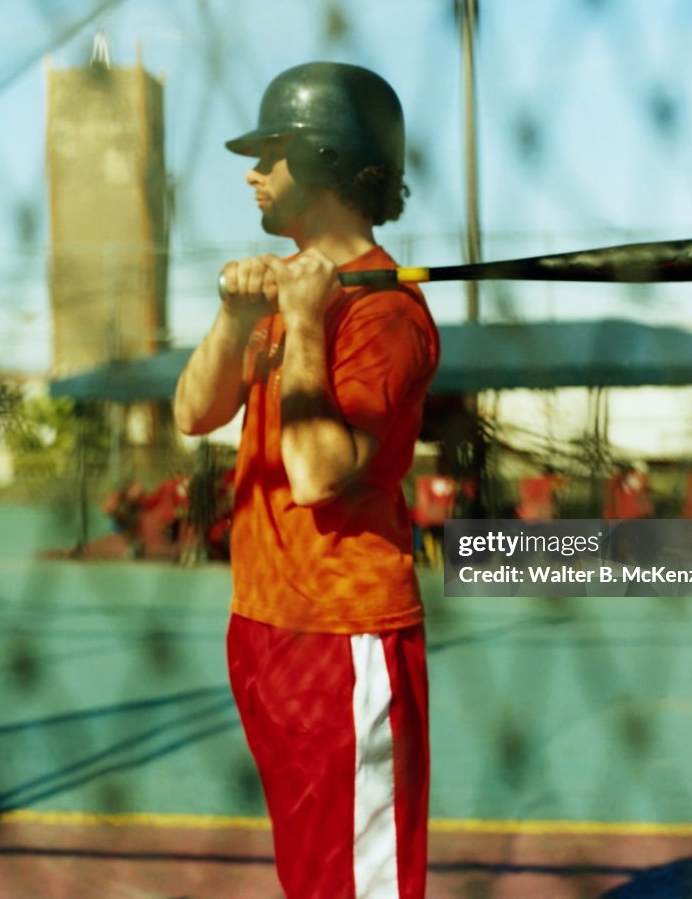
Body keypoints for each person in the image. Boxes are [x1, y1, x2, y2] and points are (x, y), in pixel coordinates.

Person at [174, 61, 439, 899]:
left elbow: (318, 475)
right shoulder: (292, 289)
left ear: (326, 160)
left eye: (272, 153)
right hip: (262, 623)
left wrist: (305, 324)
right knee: (311, 876)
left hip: (344, 635)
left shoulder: (385, 316)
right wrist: (236, 316)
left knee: (355, 884)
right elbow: (192, 413)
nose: (253, 173)